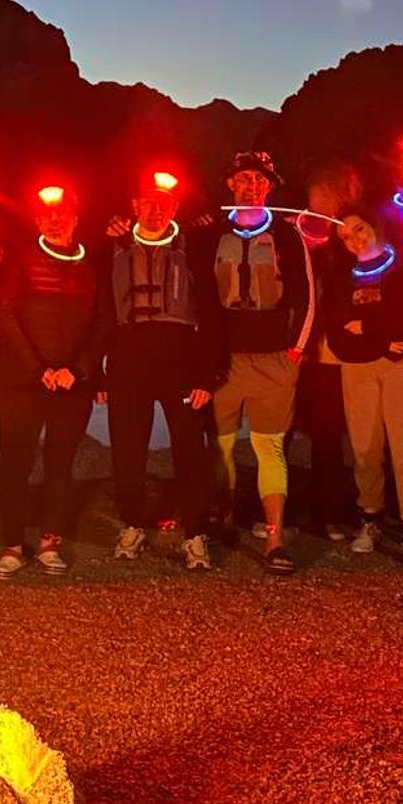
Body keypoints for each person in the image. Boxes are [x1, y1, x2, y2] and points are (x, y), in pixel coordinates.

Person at [101, 171, 224, 571]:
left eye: (164, 203)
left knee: (190, 449)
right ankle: (133, 524)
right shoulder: (113, 246)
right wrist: (99, 373)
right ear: (134, 206)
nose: (155, 210)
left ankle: (195, 534)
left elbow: (211, 312)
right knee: (128, 449)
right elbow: (100, 313)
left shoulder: (196, 247)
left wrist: (207, 375)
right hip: (128, 354)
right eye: (147, 202)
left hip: (180, 356)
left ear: (174, 208)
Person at [0, 184, 111, 579]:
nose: (55, 220)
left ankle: (49, 542)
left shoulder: (93, 265)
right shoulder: (19, 261)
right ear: (38, 220)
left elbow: (103, 323)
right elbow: (3, 315)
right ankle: (10, 545)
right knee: (15, 465)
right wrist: (37, 369)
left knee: (60, 465)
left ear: (76, 219)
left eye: (63, 214)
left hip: (72, 385)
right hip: (23, 383)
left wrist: (78, 370)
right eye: (47, 215)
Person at [204, 150, 314, 575]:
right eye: (244, 179)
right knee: (223, 446)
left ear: (269, 187)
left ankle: (273, 536)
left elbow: (306, 295)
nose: (251, 186)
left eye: (259, 180)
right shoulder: (211, 232)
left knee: (269, 448)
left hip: (273, 359)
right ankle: (225, 517)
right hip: (225, 359)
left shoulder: (289, 236)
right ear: (230, 184)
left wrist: (296, 352)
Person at [325, 208, 403, 571]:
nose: (354, 239)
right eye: (345, 236)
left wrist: (371, 329)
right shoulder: (341, 276)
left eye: (359, 229)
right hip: (357, 369)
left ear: (375, 227)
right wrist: (383, 337)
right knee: (365, 448)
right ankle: (370, 518)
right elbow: (338, 327)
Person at [292, 161, 362, 542]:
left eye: (323, 199)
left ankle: (327, 510)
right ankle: (278, 509)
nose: (315, 207)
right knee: (283, 429)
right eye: (311, 200)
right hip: (298, 349)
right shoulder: (300, 235)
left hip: (332, 355)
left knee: (328, 433)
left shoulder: (351, 240)